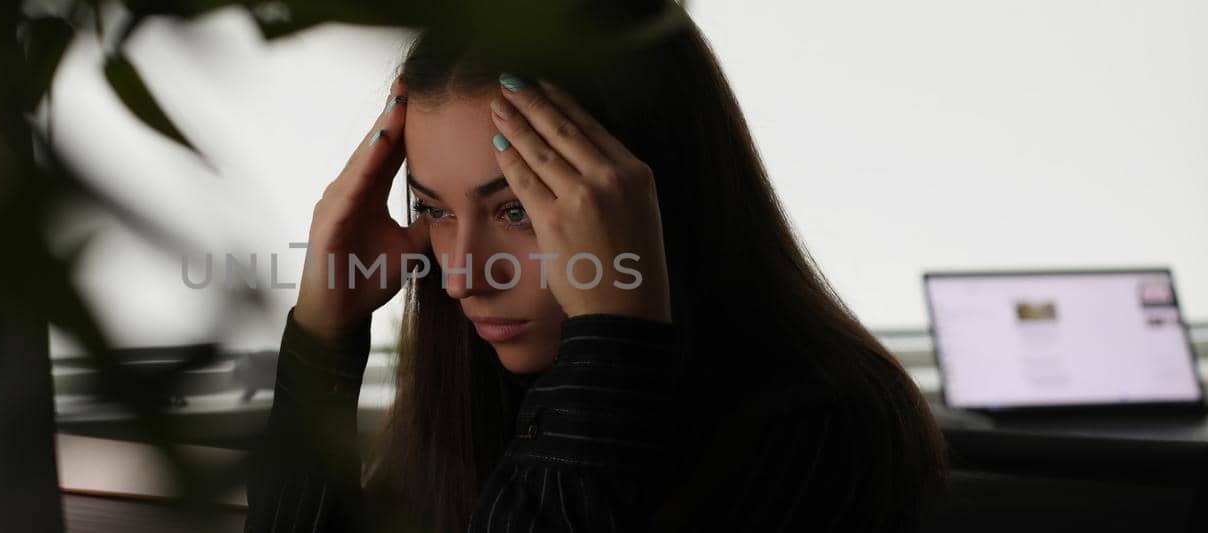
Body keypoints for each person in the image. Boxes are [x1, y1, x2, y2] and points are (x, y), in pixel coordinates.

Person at [243, 3, 948, 531]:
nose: (460, 277)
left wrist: (613, 345)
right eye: (434, 209)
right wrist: (322, 338)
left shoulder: (829, 425)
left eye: (520, 209)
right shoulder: (476, 385)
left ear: (653, 193)